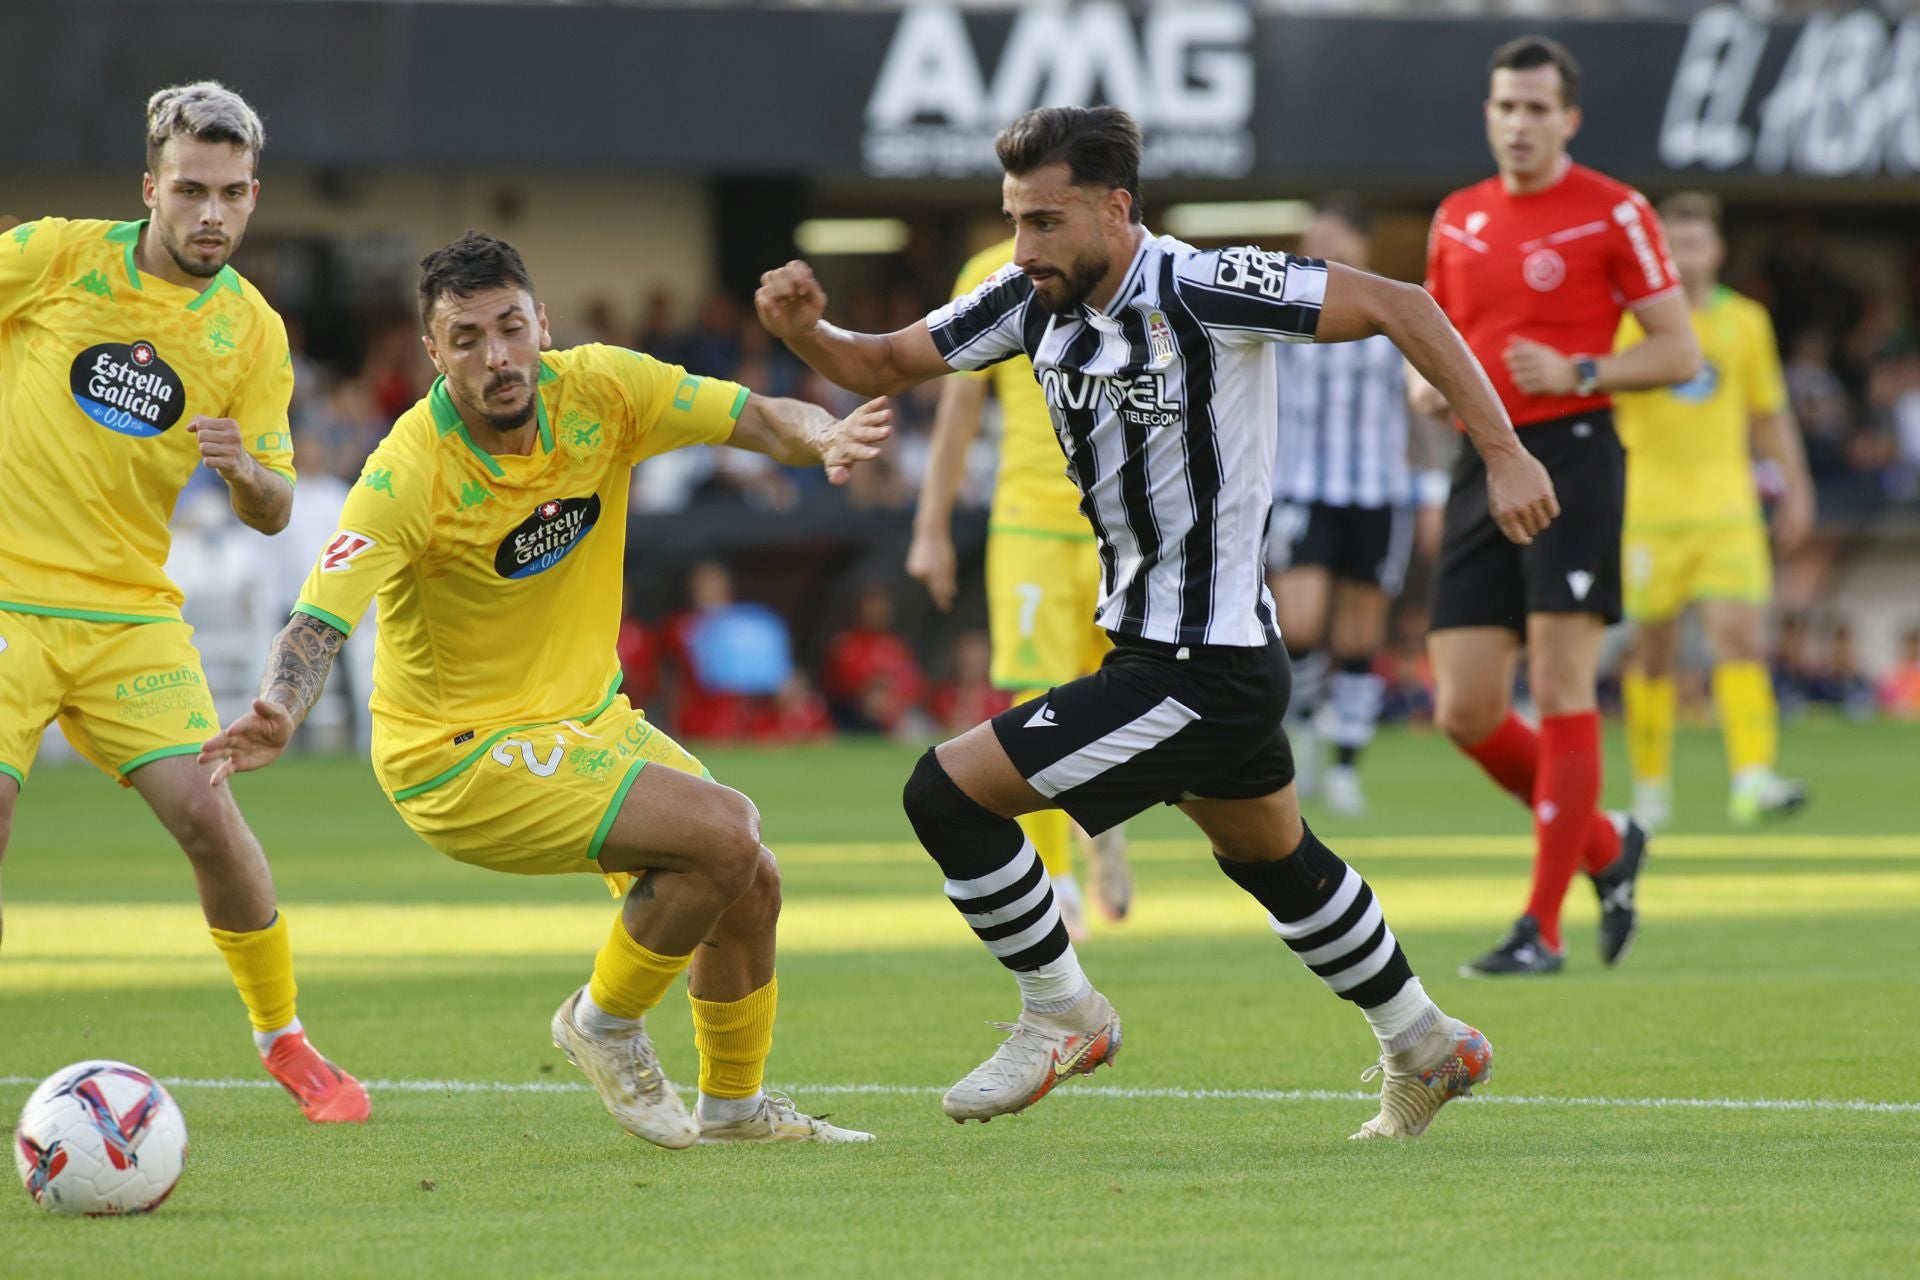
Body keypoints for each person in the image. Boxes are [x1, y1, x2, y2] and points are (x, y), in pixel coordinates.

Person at [759, 105, 1559, 1139]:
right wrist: (800, 333)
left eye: (1046, 221)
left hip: (1203, 663)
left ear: (1115, 207)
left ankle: (1061, 1009)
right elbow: (879, 364)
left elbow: (1404, 303)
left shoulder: (1206, 284)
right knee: (1276, 859)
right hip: (1177, 649)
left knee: (946, 793)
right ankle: (1426, 1041)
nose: (1023, 246)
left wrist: (1500, 451)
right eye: (1014, 220)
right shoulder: (1026, 298)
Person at [201, 232, 884, 1147]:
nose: (498, 358)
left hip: (587, 718)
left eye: (511, 328)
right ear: (434, 354)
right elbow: (319, 619)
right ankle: (601, 1020)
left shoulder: (603, 388)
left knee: (749, 878)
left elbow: (760, 418)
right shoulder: (407, 472)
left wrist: (827, 433)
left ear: (542, 325)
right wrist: (280, 706)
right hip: (456, 756)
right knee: (726, 833)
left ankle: (735, 1111)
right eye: (468, 339)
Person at [0, 82, 367, 1123]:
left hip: (130, 613)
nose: (214, 213)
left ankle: (286, 1038)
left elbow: (275, 504)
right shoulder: (55, 255)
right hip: (8, 597)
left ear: (254, 196)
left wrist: (245, 472)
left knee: (210, 815)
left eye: (234, 193)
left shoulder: (251, 329)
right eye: (192, 189)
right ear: (151, 186)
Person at [1419, 36, 1700, 977]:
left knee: (1564, 679)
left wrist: (1584, 367)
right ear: (1488, 114)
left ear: (1568, 119)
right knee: (1463, 706)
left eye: (1538, 108)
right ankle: (1608, 850)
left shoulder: (1615, 210)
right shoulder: (1458, 219)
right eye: (1506, 106)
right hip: (1481, 459)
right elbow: (1446, 336)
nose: (1520, 123)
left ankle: (1540, 929)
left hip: (1574, 454)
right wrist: (1433, 388)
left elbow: (1678, 353)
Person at [908, 234, 1136, 933]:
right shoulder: (988, 273)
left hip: (1122, 526)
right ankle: (1057, 879)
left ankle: (1106, 835)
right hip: (1029, 523)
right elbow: (959, 407)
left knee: (1121, 701)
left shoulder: (1133, 265)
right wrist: (930, 526)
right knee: (1036, 700)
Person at [1614, 192, 1815, 830]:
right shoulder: (1626, 321)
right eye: (1674, 243)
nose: (1685, 254)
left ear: (1718, 251)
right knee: (1652, 654)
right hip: (1648, 511)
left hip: (1728, 509)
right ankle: (1650, 789)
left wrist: (1797, 486)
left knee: (1741, 639)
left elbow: (1769, 412)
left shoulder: (1746, 322)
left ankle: (1752, 780)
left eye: (1697, 242)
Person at [1267, 198, 1436, 818]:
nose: (1322, 248)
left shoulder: (1393, 312)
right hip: (1300, 488)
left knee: (1361, 634)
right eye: (1314, 238)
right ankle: (1304, 736)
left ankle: (1344, 766)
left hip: (1378, 492)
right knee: (1301, 623)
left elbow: (1422, 411)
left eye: (1333, 237)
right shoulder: (1281, 312)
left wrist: (1432, 493)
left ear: (1363, 245)